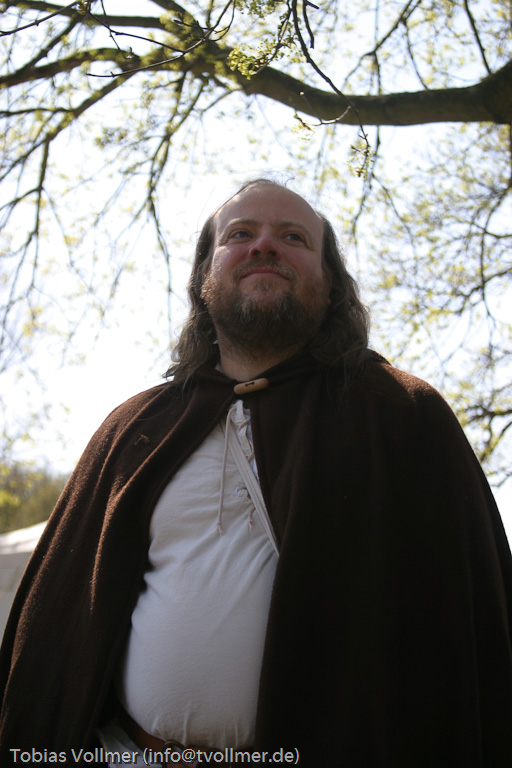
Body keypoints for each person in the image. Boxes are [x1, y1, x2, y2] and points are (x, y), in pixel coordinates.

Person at [0, 178, 511, 768]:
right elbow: (60, 624)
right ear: (204, 275)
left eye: (293, 237)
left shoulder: (401, 415)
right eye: (240, 234)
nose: (264, 246)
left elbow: (467, 630)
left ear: (331, 283)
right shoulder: (135, 430)